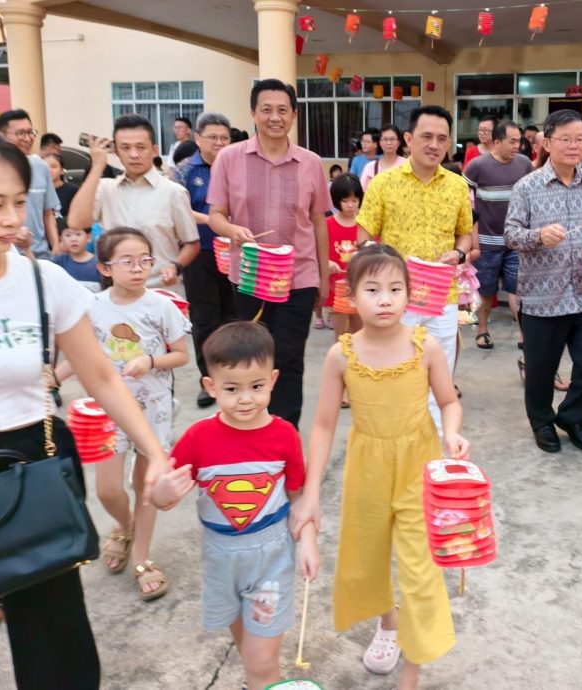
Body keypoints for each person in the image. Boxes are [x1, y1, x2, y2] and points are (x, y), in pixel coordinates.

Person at [0, 126, 174, 689]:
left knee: (55, 638)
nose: (13, 220)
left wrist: (155, 452)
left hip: (35, 462)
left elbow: (101, 376)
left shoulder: (43, 280)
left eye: (18, 202)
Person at [290, 244, 469, 690]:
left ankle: (412, 670)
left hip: (419, 468)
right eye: (372, 290)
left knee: (421, 570)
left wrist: (451, 433)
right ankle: (388, 622)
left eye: (395, 289)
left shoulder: (425, 346)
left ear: (410, 294)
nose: (385, 299)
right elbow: (323, 425)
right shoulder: (341, 354)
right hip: (366, 467)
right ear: (351, 297)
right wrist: (310, 495)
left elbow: (448, 401)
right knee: (364, 559)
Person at [152, 321, 319, 689]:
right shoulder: (198, 438)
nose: (245, 399)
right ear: (210, 386)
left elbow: (297, 495)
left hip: (271, 558)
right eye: (232, 389)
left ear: (273, 380)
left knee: (261, 661)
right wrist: (163, 490)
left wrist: (308, 540)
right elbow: (162, 500)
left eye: (256, 386)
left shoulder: (284, 435)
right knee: (248, 650)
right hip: (221, 559)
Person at [54, 228, 189, 601]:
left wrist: (151, 361)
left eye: (145, 260)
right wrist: (53, 377)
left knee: (146, 487)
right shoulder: (91, 306)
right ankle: (125, 526)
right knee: (108, 489)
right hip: (106, 411)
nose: (138, 268)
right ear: (105, 268)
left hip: (153, 408)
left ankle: (142, 558)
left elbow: (181, 355)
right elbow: (80, 355)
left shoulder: (162, 306)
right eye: (127, 261)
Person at [207, 79, 331, 428]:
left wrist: (323, 278)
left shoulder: (310, 163)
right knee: (251, 358)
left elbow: (319, 223)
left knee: (289, 358)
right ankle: (252, 427)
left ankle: (284, 433)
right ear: (253, 113)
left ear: (294, 115)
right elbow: (216, 215)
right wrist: (232, 231)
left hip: (299, 279)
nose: (275, 117)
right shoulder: (230, 158)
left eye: (282, 110)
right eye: (266, 110)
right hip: (249, 278)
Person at [357, 105, 473, 429]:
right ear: (409, 139)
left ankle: (434, 440)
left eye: (442, 138)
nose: (434, 145)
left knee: (440, 371)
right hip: (396, 297)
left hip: (442, 296)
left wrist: (458, 253)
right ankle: (394, 434)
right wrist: (383, 261)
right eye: (426, 136)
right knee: (395, 369)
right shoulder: (384, 183)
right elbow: (363, 237)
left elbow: (465, 234)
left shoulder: (457, 186)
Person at [505, 109, 582, 454]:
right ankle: (542, 421)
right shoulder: (527, 186)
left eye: (580, 139)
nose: (574, 145)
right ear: (547, 143)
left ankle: (572, 416)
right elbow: (511, 235)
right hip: (543, 296)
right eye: (566, 139)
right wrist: (538, 236)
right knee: (541, 369)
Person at [67, 114, 200, 288]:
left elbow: (191, 243)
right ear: (116, 151)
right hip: (117, 292)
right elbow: (76, 222)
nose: (134, 155)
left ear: (154, 150)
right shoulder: (105, 189)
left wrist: (175, 266)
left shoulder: (173, 192)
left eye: (141, 147)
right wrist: (97, 166)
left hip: (160, 290)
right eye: (125, 148)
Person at [172, 112, 237, 409]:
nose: (219, 143)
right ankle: (207, 378)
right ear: (198, 139)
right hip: (200, 253)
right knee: (204, 319)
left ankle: (232, 375)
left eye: (225, 138)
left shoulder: (237, 167)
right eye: (213, 137)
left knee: (233, 317)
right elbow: (177, 207)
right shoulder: (184, 170)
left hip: (235, 253)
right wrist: (214, 221)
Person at [464, 119, 533, 350]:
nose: (517, 146)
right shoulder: (477, 165)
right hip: (486, 242)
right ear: (497, 142)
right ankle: (482, 330)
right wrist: (470, 237)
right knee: (486, 290)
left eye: (518, 141)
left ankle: (524, 334)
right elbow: (463, 201)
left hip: (516, 241)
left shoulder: (524, 164)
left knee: (517, 289)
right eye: (512, 142)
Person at [0, 109, 60, 259]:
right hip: (5, 254)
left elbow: (48, 213)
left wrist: (56, 244)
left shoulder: (40, 166)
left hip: (41, 255)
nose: (28, 138)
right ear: (1, 136)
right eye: (20, 133)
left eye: (30, 132)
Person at [325, 174, 363, 349]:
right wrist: (326, 262)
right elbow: (318, 251)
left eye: (355, 200)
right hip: (336, 289)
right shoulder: (327, 224)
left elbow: (374, 251)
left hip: (359, 287)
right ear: (336, 200)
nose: (350, 205)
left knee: (360, 336)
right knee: (341, 338)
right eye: (345, 200)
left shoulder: (365, 225)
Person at [50, 224, 101, 292]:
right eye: (68, 235)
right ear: (61, 239)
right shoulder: (58, 262)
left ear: (89, 237)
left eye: (78, 234)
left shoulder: (99, 263)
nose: (73, 239)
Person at [360, 124, 407, 191]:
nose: (389, 143)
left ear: (399, 142)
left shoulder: (407, 165)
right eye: (385, 139)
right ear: (379, 143)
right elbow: (363, 193)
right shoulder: (370, 167)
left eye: (392, 139)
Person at [43, 152, 79, 232]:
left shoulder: (72, 190)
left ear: (62, 170)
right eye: (45, 167)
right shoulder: (39, 191)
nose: (49, 170)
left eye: (54, 167)